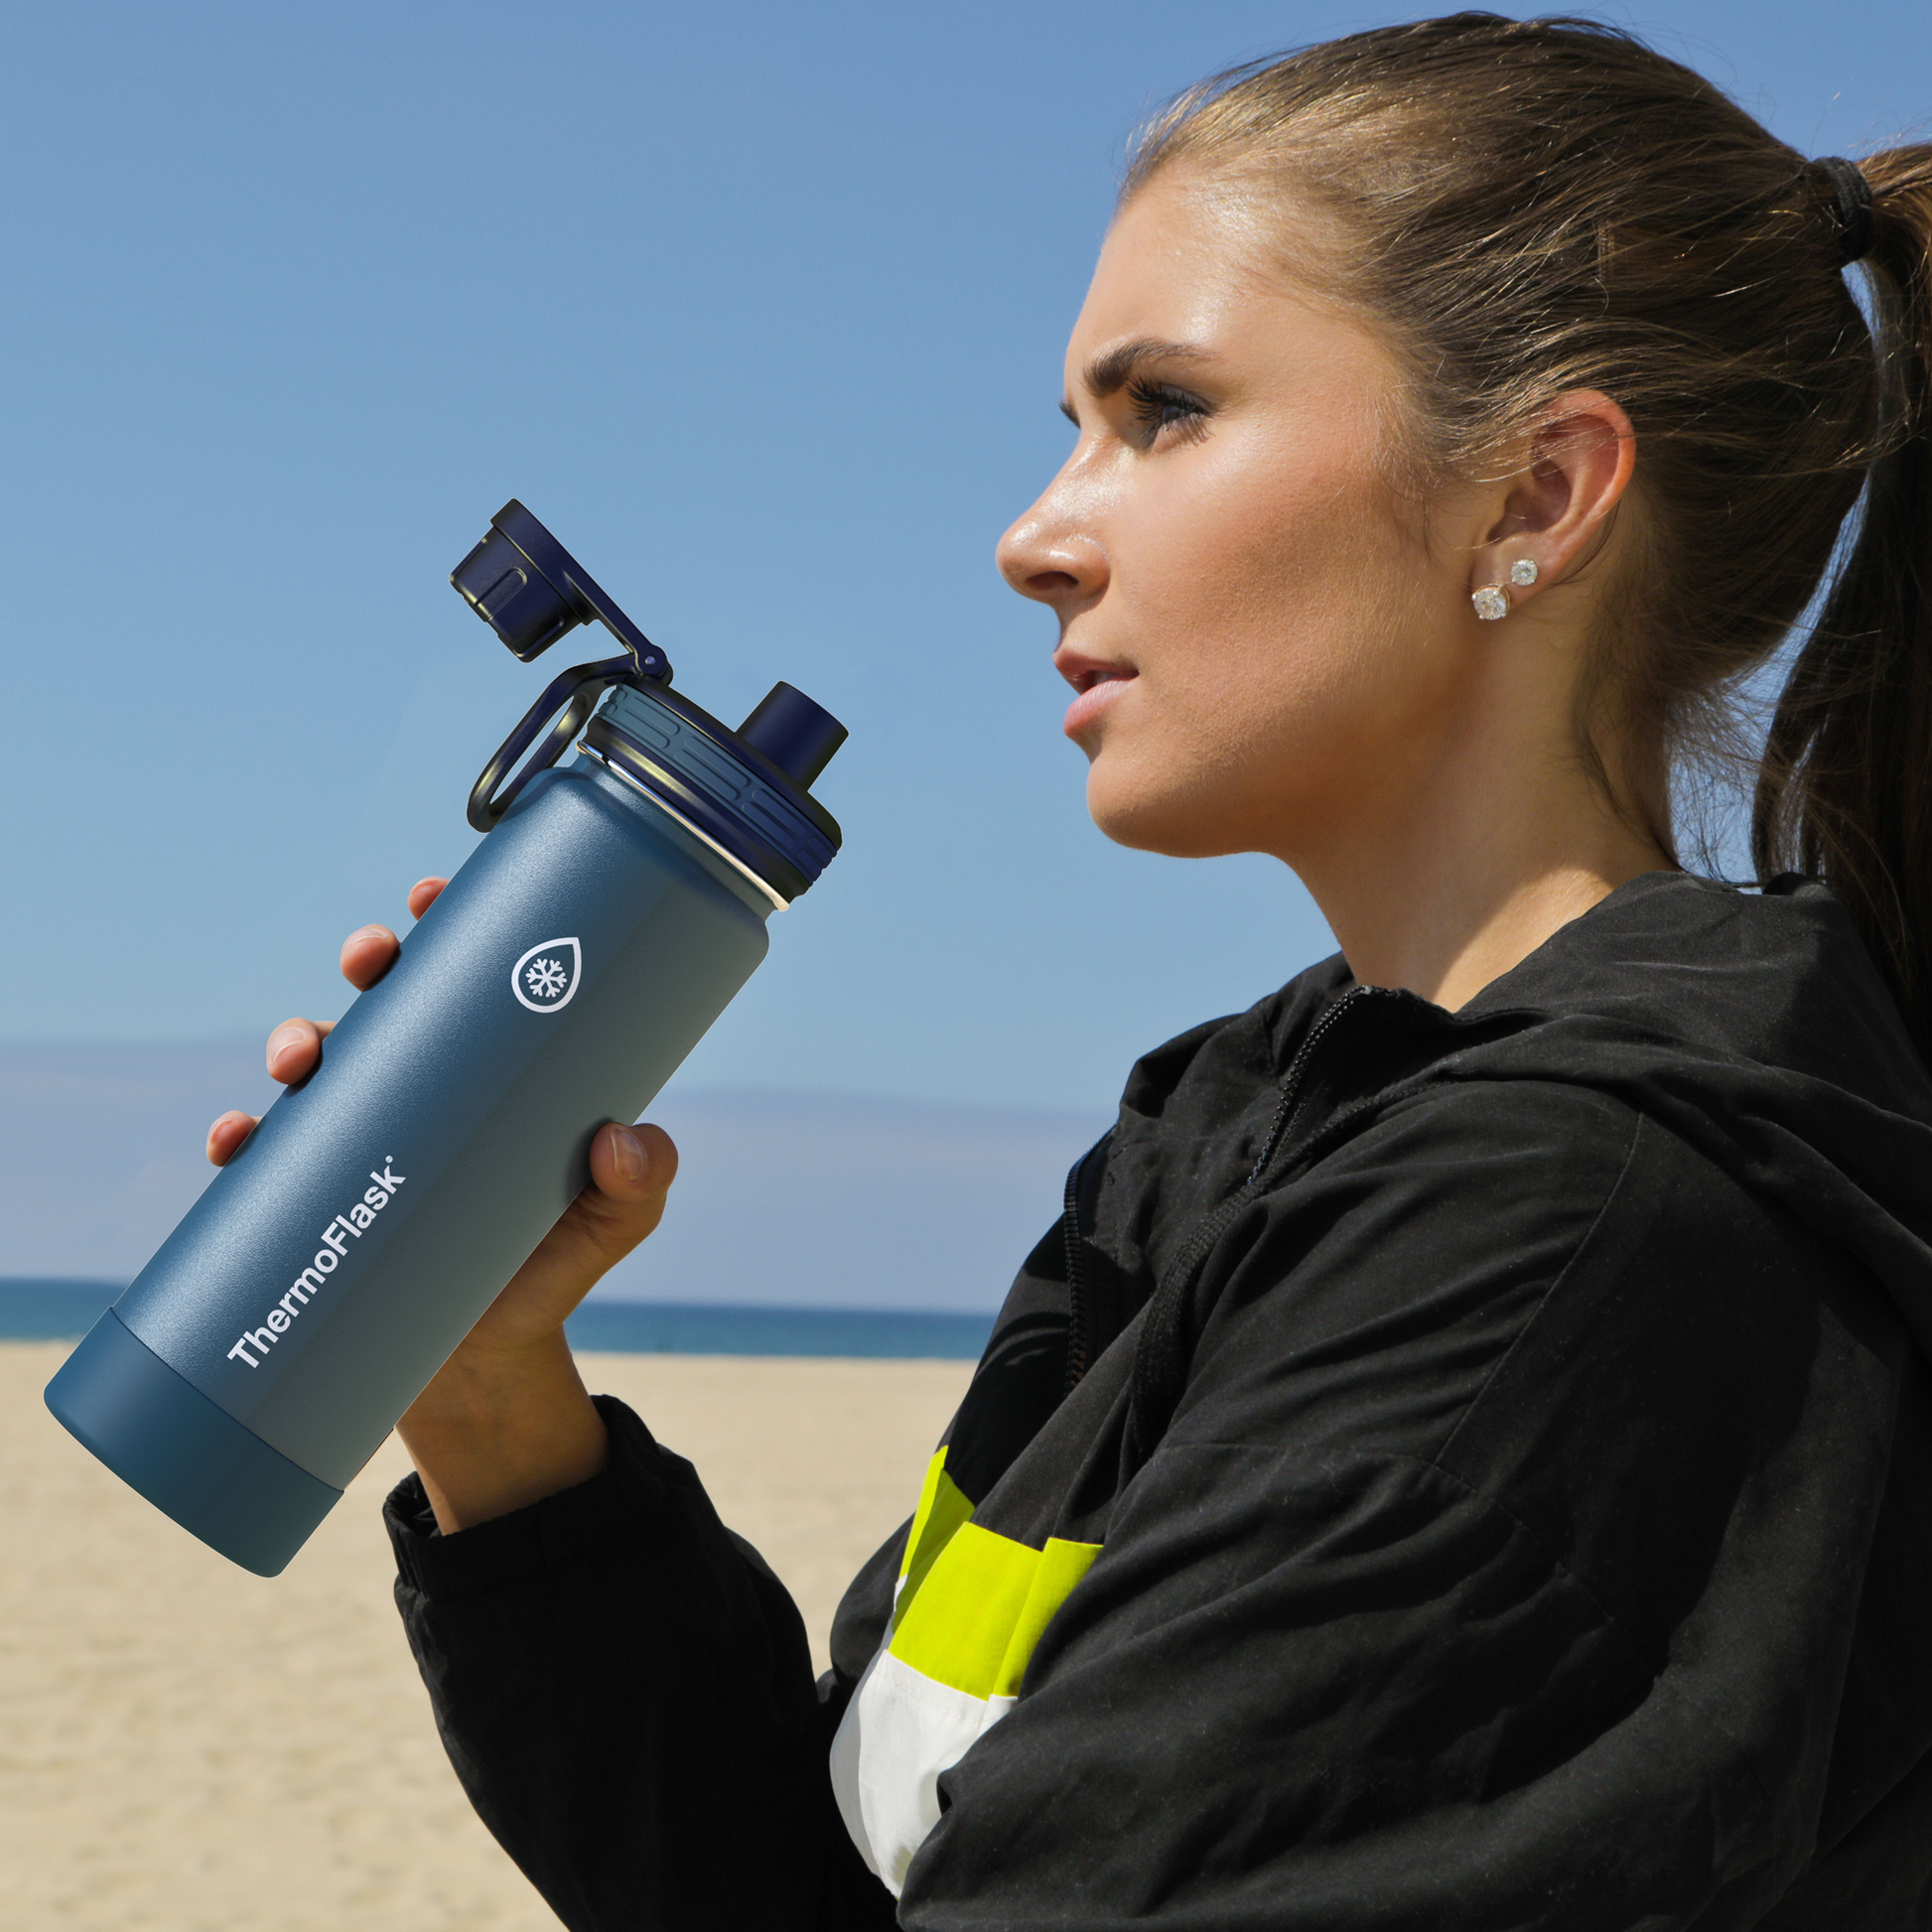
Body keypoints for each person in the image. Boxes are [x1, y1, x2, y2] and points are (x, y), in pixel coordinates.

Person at [209, 13, 1932, 1927]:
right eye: (1070, 431)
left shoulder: (1579, 1232)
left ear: (1535, 496)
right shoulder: (1225, 1130)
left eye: (1165, 412)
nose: (1034, 539)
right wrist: (493, 1401)